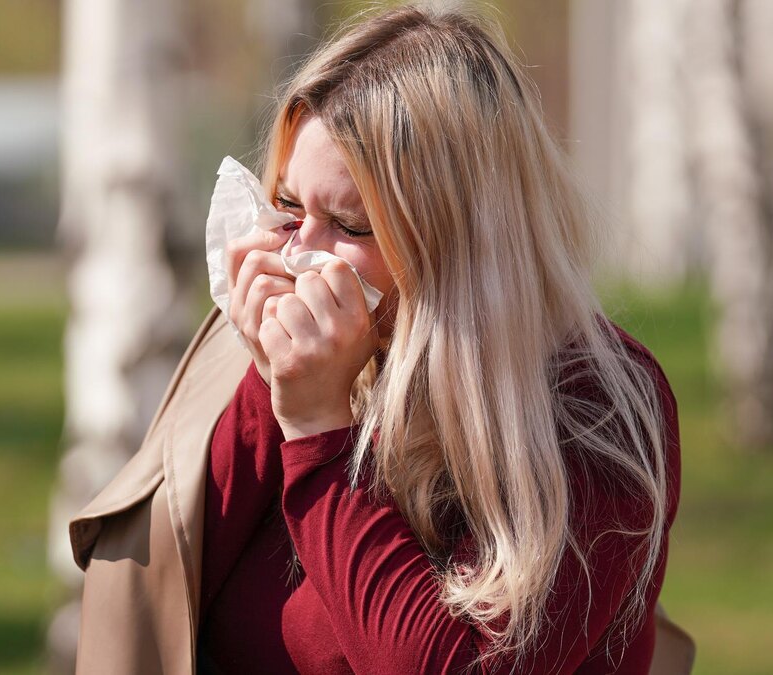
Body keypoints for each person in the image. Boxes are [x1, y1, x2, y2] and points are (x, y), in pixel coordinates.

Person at [69, 5, 683, 674]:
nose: (300, 253)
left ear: (459, 242)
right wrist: (267, 382)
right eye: (290, 207)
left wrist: (315, 428)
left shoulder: (594, 408)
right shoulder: (305, 361)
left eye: (349, 225)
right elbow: (167, 573)